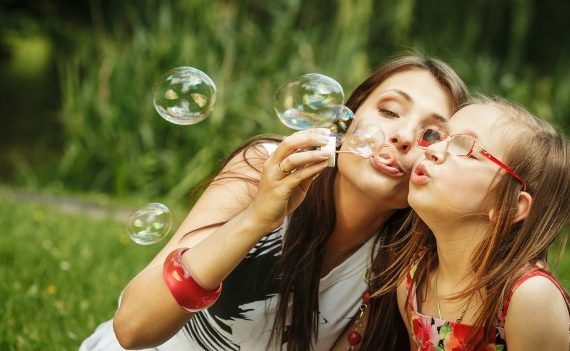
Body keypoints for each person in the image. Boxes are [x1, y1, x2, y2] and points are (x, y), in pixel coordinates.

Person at [79, 55, 469, 351]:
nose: (402, 135)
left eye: (431, 134)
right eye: (389, 111)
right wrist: (258, 216)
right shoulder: (265, 168)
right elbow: (131, 328)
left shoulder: (398, 265)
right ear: (348, 118)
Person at [394, 96, 570, 350]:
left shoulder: (529, 296)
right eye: (439, 137)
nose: (432, 150)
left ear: (508, 207)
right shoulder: (413, 280)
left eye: (466, 148)